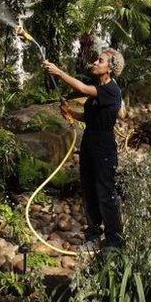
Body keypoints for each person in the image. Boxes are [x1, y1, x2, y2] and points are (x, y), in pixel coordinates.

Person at [42, 49, 125, 249]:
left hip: (104, 147)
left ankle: (114, 241)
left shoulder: (112, 90)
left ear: (110, 68)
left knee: (106, 192)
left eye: (100, 60)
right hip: (89, 143)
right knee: (89, 190)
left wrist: (58, 72)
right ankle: (92, 236)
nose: (95, 62)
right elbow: (89, 117)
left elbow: (81, 87)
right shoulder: (99, 89)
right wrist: (71, 113)